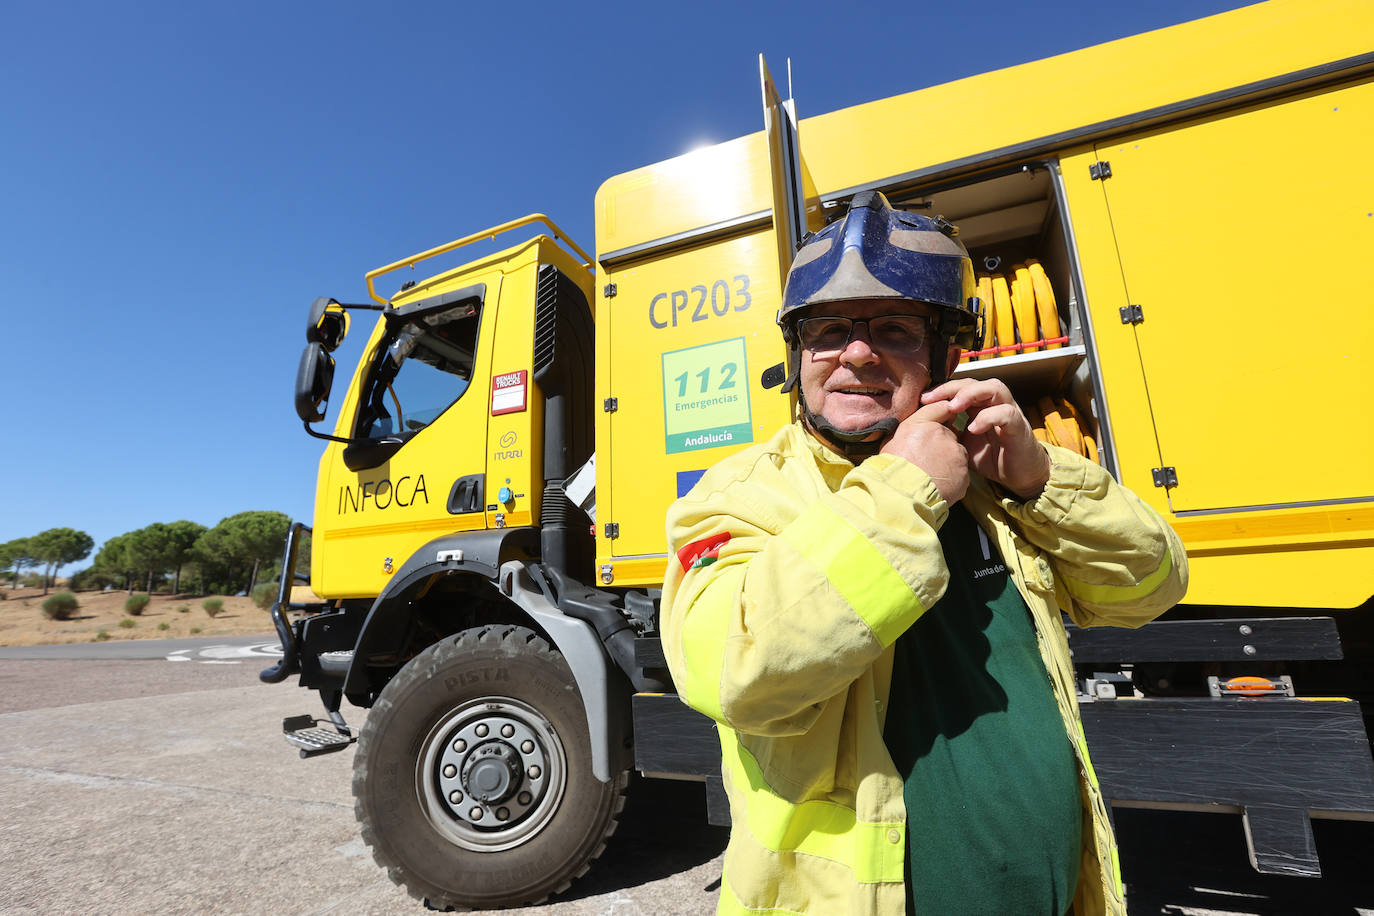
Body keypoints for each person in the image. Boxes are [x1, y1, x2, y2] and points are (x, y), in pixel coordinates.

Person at [660, 191, 1187, 916]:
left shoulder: (998, 485)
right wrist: (906, 488)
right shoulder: (743, 495)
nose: (855, 352)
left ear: (947, 356)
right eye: (828, 330)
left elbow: (1152, 587)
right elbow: (733, 675)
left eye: (895, 329)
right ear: (798, 354)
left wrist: (1040, 479)